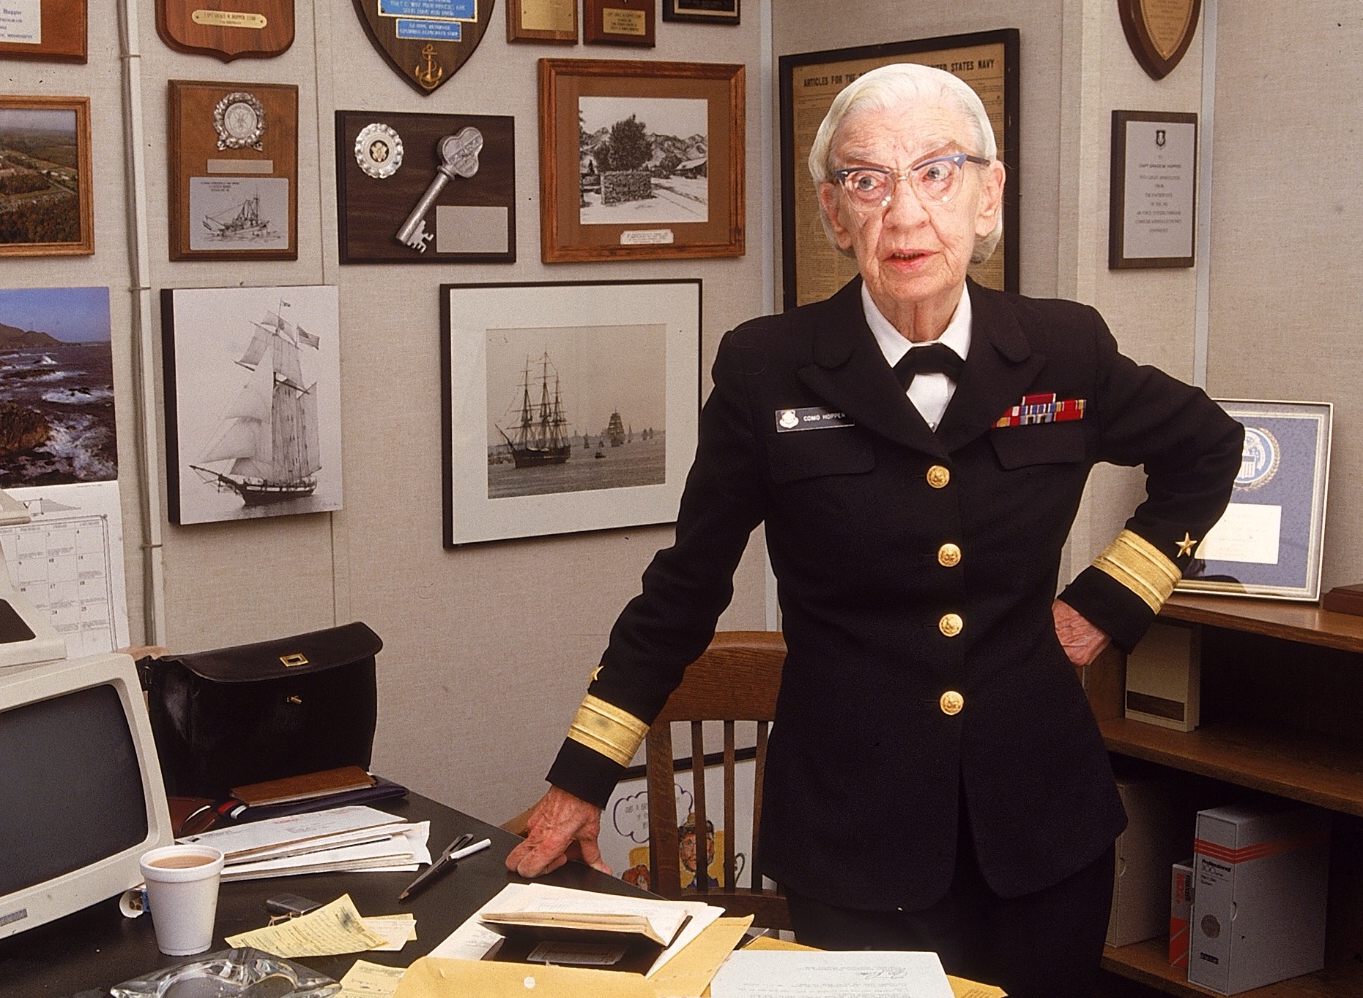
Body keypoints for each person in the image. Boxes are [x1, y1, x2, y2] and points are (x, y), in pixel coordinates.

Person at [505, 63, 1242, 997]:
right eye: (868, 180)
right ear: (832, 213)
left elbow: (1208, 451)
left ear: (989, 195)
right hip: (852, 837)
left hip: (1044, 830)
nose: (903, 214)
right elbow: (685, 586)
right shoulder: (766, 369)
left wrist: (1107, 602)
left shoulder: (1064, 349)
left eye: (936, 172)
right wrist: (580, 779)